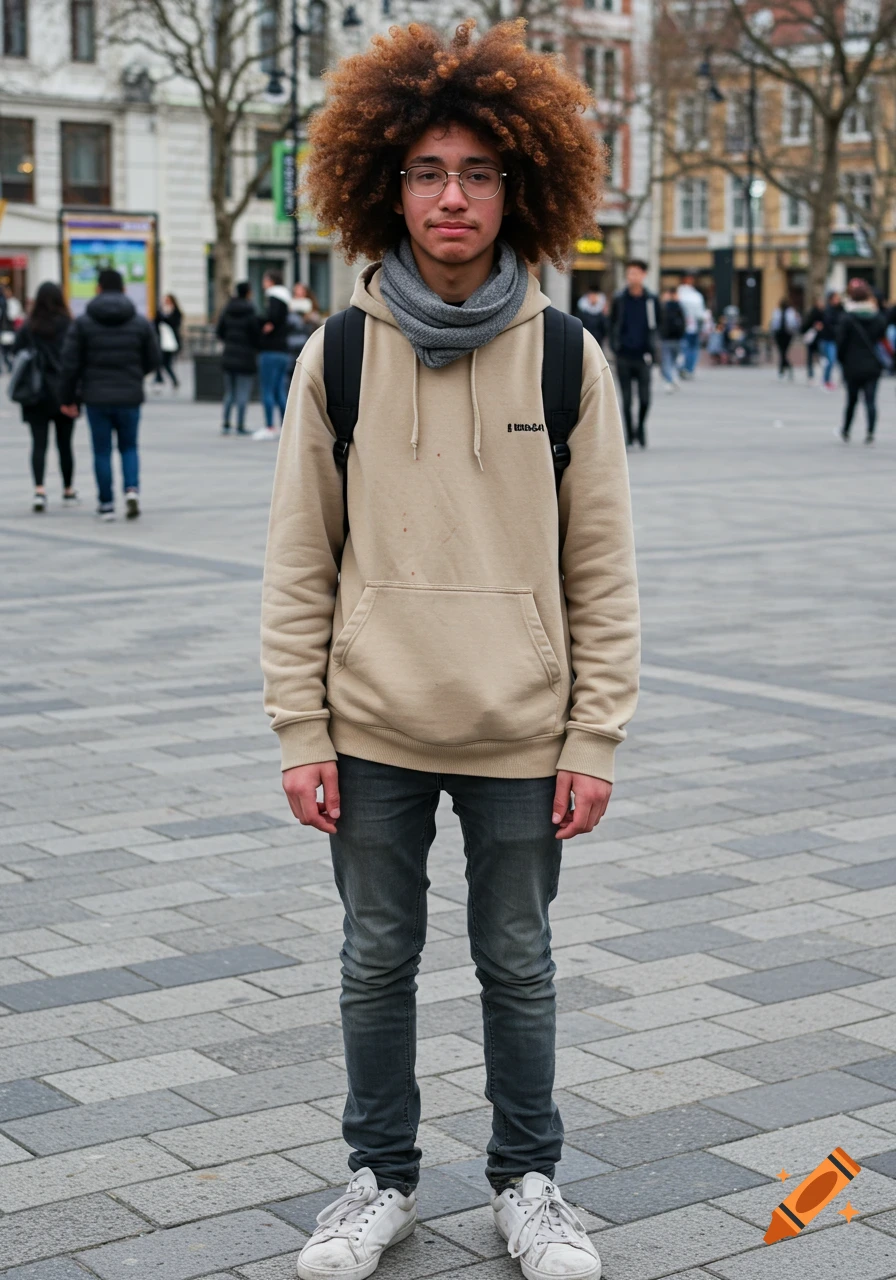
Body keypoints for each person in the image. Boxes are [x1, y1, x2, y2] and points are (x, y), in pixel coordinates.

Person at [262, 21, 639, 1280]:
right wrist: (299, 728)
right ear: (387, 184)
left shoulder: (568, 356)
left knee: (516, 962)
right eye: (426, 171)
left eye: (477, 171)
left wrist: (593, 735)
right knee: (374, 959)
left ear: (517, 187)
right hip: (370, 724)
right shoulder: (338, 352)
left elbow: (601, 568)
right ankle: (378, 1179)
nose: (451, 196)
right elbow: (298, 560)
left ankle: (528, 1182)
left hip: (521, 728)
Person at [59, 268, 160, 521]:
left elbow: (70, 364)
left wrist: (68, 398)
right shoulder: (140, 322)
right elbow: (154, 358)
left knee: (102, 451)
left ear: (98, 288)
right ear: (124, 289)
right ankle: (132, 490)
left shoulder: (83, 323)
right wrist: (136, 375)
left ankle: (106, 504)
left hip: (96, 397)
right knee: (129, 447)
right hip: (129, 395)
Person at [12, 282, 78, 512]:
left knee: (38, 444)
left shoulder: (30, 325)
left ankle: (39, 490)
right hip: (63, 392)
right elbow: (75, 359)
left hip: (35, 392)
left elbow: (16, 353)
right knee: (65, 444)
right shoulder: (69, 325)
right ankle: (68, 489)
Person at [609, 258, 657, 447]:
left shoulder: (651, 300)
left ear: (644, 275)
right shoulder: (619, 299)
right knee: (627, 400)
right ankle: (629, 434)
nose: (632, 277)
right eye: (629, 273)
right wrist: (615, 346)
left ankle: (640, 428)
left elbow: (658, 325)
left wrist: (654, 347)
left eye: (636, 273)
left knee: (645, 399)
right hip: (624, 355)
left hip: (644, 356)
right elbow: (612, 323)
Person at [837, 278, 887, 444]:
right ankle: (870, 431)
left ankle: (846, 430)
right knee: (870, 400)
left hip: (852, 365)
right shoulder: (878, 317)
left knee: (851, 400)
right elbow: (882, 338)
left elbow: (841, 343)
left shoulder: (847, 318)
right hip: (872, 364)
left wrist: (842, 361)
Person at [216, 281, 258, 434]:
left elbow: (219, 331)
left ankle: (226, 423)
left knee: (229, 392)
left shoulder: (227, 309)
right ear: (248, 293)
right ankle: (240, 425)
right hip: (246, 357)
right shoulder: (250, 311)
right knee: (243, 392)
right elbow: (256, 335)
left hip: (229, 355)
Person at [254, 269, 291, 439]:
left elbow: (272, 319)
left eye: (265, 280)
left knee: (267, 389)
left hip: (270, 350)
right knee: (279, 391)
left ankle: (270, 426)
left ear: (271, 281)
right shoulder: (285, 298)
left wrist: (265, 325)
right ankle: (286, 425)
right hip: (283, 351)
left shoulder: (273, 297)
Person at [677, 271, 706, 377]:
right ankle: (687, 368)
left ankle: (686, 368)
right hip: (687, 326)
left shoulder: (683, 294)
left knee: (687, 348)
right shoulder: (694, 295)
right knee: (689, 348)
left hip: (689, 326)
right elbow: (700, 313)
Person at [658, 284, 685, 391]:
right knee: (670, 360)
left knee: (669, 360)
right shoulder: (676, 307)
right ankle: (671, 379)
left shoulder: (667, 307)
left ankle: (671, 379)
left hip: (670, 338)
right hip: (672, 338)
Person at [286, 281, 321, 360]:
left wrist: (308, 317)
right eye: (296, 293)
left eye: (302, 293)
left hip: (307, 346)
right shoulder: (290, 310)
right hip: (291, 347)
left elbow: (316, 325)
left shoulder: (312, 311)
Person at [154, 293, 182, 390]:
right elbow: (155, 324)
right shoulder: (160, 311)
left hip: (171, 342)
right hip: (160, 341)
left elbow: (175, 324)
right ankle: (159, 380)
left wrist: (165, 318)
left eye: (168, 300)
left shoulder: (176, 312)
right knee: (159, 362)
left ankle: (173, 380)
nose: (166, 302)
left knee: (166, 363)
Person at [770, 298, 801, 378]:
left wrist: (794, 329)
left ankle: (782, 369)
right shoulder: (777, 311)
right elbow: (773, 323)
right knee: (782, 352)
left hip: (788, 334)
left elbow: (795, 322)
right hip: (779, 334)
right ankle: (786, 368)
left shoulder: (791, 312)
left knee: (783, 352)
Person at [821, 290, 843, 389]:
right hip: (829, 339)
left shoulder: (841, 309)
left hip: (837, 339)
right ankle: (826, 380)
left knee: (839, 360)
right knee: (831, 360)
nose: (837, 300)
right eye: (835, 298)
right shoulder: (828, 310)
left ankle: (842, 379)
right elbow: (828, 324)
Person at [802, 296, 824, 383]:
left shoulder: (823, 313)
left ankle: (821, 375)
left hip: (820, 338)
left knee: (820, 357)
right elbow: (806, 325)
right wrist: (814, 326)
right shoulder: (812, 313)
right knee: (811, 357)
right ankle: (811, 375)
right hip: (812, 338)